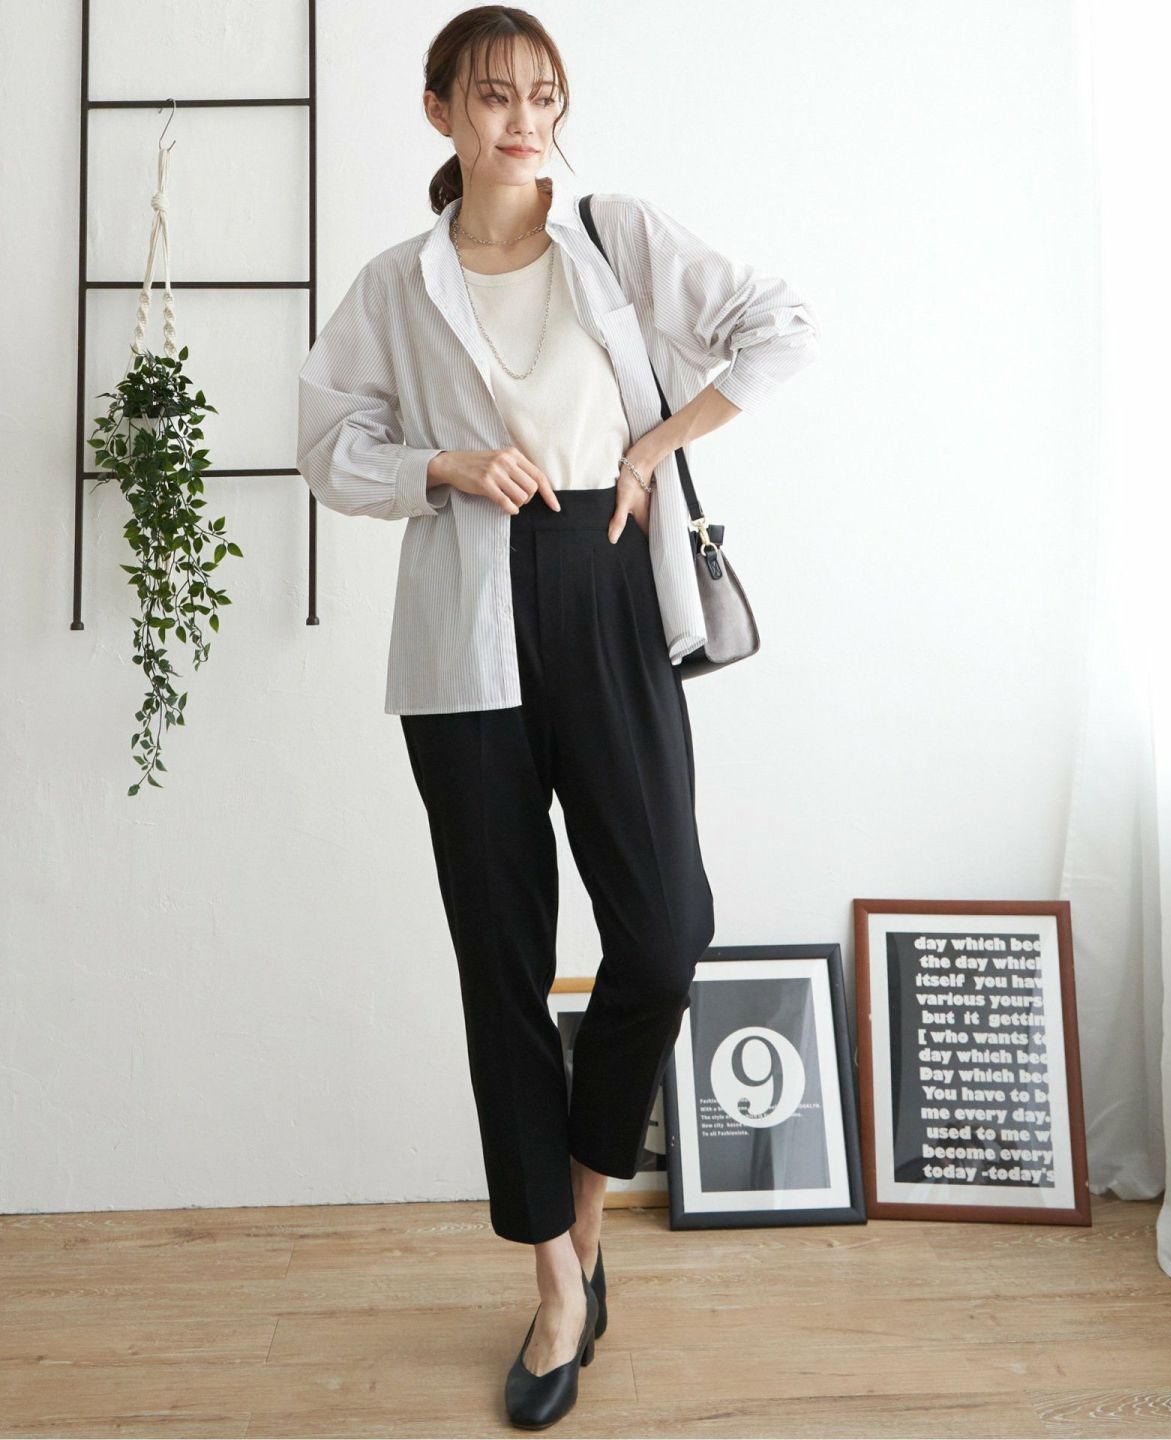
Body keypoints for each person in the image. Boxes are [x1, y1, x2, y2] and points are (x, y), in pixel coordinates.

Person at [296, 6, 820, 1427]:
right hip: (463, 630)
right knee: (502, 961)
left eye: (542, 95)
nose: (523, 120)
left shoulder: (615, 235)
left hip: (608, 585)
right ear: (439, 111)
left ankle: (583, 1213)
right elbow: (328, 445)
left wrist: (657, 440)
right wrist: (446, 465)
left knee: (664, 931)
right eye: (492, 96)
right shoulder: (396, 285)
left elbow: (779, 325)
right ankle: (552, 1286)